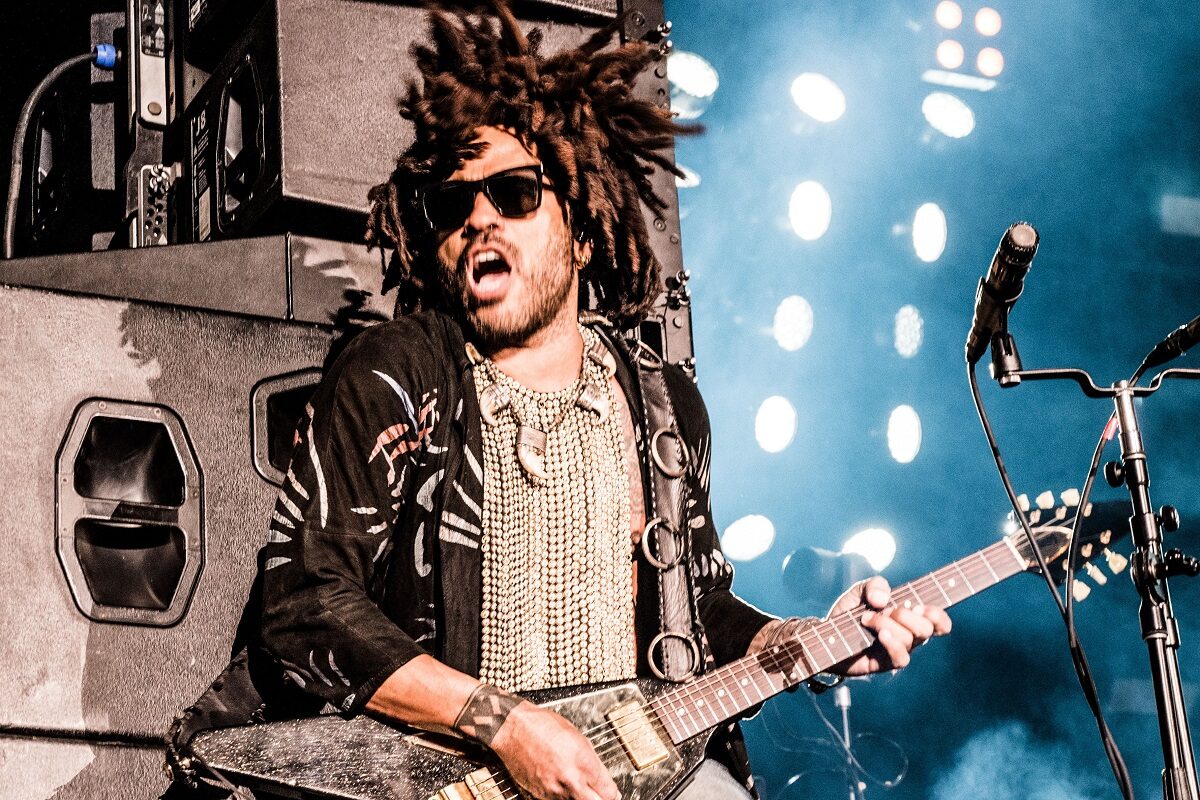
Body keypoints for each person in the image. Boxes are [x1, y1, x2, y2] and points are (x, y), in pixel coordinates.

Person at [168, 3, 951, 799]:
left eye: (513, 193)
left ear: (581, 231)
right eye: (453, 206)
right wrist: (507, 726)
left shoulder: (664, 405)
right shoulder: (398, 373)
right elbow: (305, 603)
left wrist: (808, 640)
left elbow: (700, 605)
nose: (479, 218)